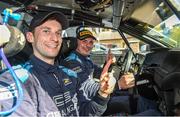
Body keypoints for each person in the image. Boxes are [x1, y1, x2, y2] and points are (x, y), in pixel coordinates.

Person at [0, 11, 116, 116]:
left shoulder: (69, 74)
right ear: (30, 37)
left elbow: (85, 112)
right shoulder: (16, 80)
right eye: (46, 31)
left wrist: (102, 94)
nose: (55, 38)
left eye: (58, 33)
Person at [61, 28, 162, 115]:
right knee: (139, 103)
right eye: (84, 41)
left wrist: (108, 63)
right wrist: (118, 84)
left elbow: (99, 73)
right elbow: (88, 89)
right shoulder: (71, 62)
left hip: (95, 98)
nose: (88, 45)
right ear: (76, 43)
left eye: (91, 42)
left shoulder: (85, 59)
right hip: (88, 106)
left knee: (132, 96)